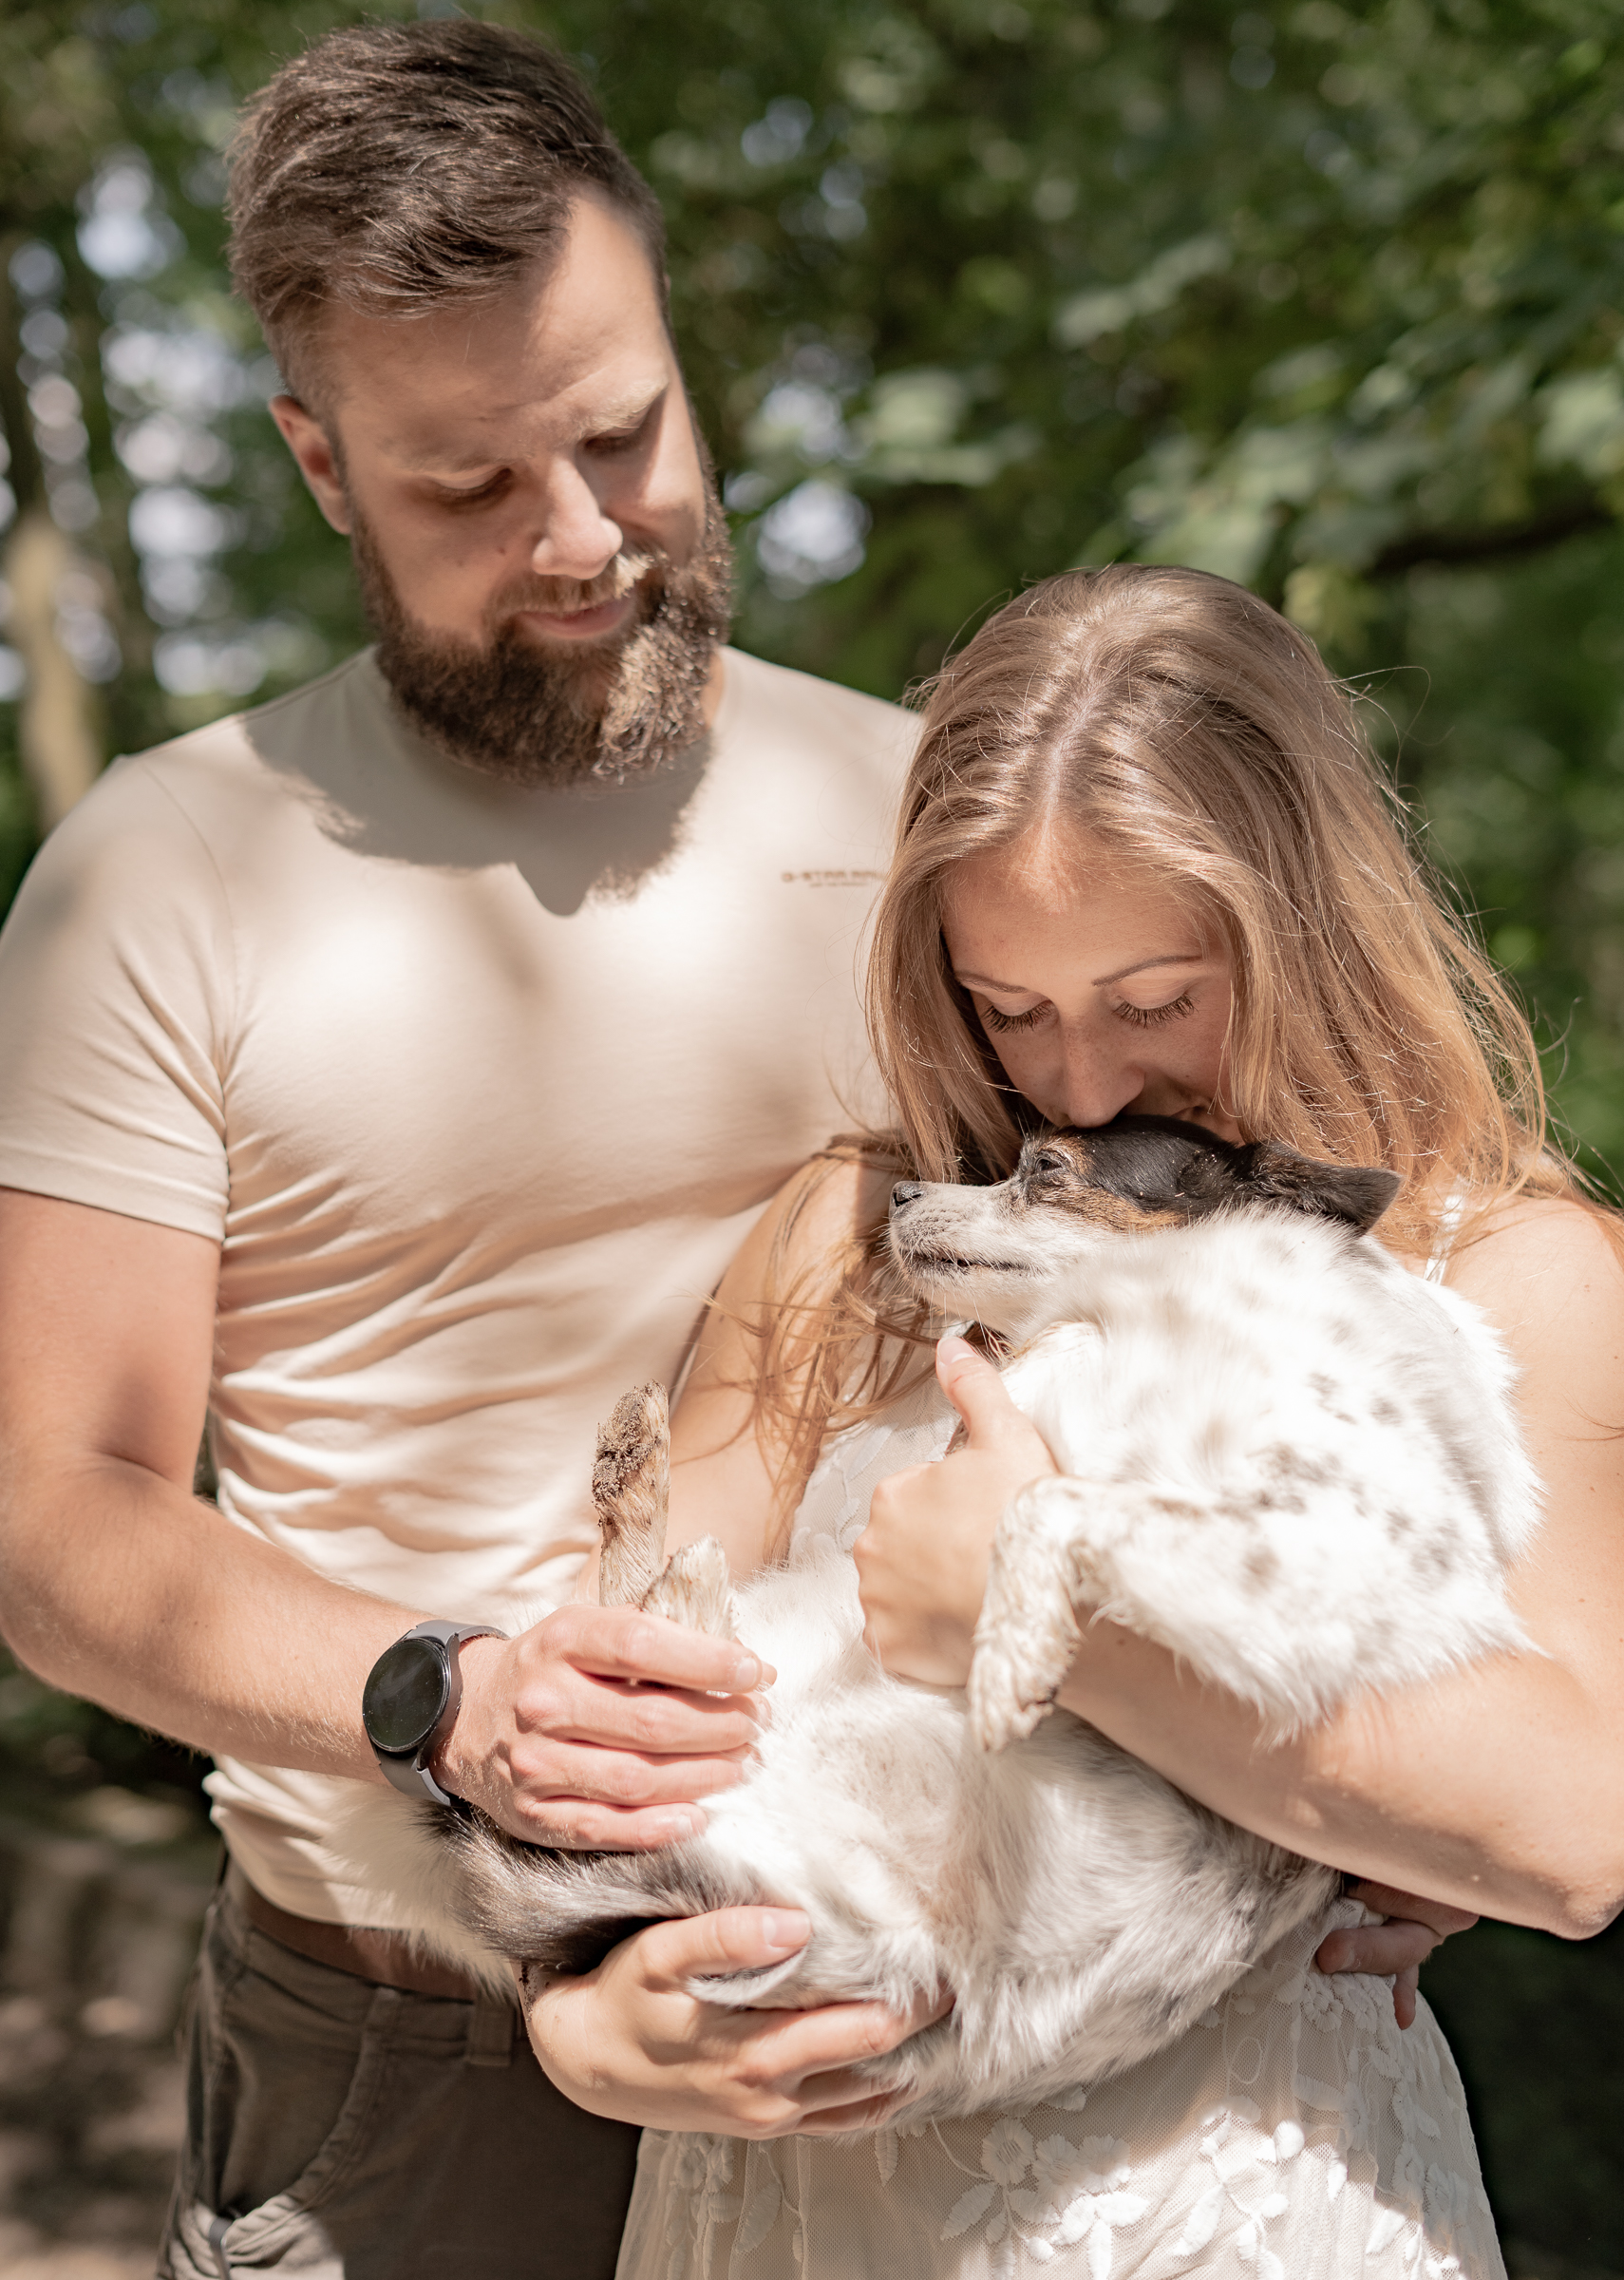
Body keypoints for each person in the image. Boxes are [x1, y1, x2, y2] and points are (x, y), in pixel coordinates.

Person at [0, 23, 945, 2279]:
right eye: (463, 487)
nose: (582, 538)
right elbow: (53, 1520)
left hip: (938, 1992)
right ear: (317, 465)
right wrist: (439, 1702)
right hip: (416, 2076)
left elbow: (1296, 1251)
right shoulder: (160, 876)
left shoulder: (940, 812)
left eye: (625, 434)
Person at [519, 565, 1624, 2277]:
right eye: (1008, 1010)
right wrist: (576, 2018)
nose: (1082, 1086)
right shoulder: (853, 1238)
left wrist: (1046, 1617)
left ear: (1303, 925)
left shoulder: (1504, 1271)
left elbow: (1574, 1837)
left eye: (1153, 1001)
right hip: (801, 2204)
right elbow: (631, 1702)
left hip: (1234, 2202)